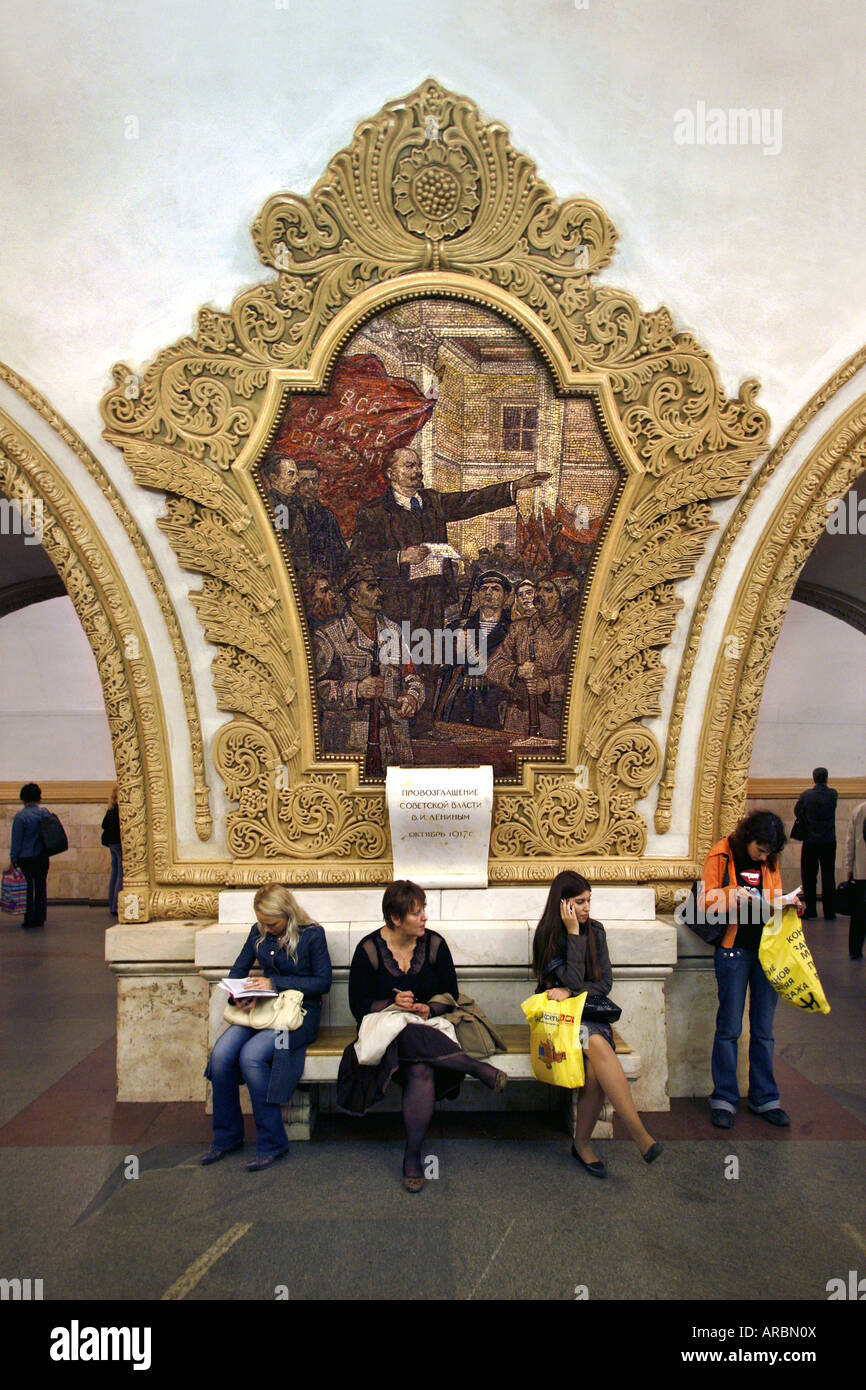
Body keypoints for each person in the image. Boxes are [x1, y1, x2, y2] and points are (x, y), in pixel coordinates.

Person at [337, 880, 507, 1192]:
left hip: (428, 1029)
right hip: (385, 1031)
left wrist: (429, 1008)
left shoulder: (435, 945)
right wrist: (392, 1003)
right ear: (395, 919)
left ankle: (412, 1157)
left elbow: (451, 993)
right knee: (402, 1028)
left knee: (420, 1068)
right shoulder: (369, 950)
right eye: (416, 913)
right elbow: (357, 1006)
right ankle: (471, 1066)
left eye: (423, 910)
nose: (425, 917)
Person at [532, 870, 661, 1177]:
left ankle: (582, 1144)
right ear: (564, 906)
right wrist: (573, 934)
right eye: (579, 902)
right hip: (558, 1022)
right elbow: (575, 980)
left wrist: (572, 991)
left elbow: (604, 984)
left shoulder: (598, 931)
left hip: (589, 1014)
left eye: (589, 900)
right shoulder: (548, 937)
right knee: (596, 1043)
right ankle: (639, 1134)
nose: (587, 908)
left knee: (594, 1068)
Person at [349, 446, 549, 635]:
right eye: (410, 466)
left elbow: (472, 501)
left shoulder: (432, 500)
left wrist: (514, 486)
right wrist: (401, 557)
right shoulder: (373, 512)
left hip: (434, 599)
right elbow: (359, 558)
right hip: (396, 602)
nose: (418, 471)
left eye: (419, 465)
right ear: (391, 474)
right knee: (400, 657)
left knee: (430, 657)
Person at [202, 884, 332, 1171]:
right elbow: (238, 970)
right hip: (262, 1009)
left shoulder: (312, 935)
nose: (266, 929)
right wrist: (240, 995)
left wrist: (274, 983)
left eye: (272, 924)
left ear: (288, 915)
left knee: (251, 1057)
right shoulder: (257, 932)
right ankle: (226, 1137)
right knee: (222, 1055)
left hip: (299, 1015)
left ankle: (272, 1142)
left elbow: (322, 983)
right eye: (262, 922)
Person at [699, 810, 803, 1130]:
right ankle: (724, 1098)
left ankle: (765, 1098)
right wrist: (734, 895)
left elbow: (773, 895)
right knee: (729, 1027)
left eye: (770, 851)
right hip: (734, 949)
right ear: (748, 838)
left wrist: (788, 903)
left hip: (766, 950)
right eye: (761, 848)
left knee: (764, 1029)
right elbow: (706, 902)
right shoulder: (721, 854)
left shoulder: (769, 859)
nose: (765, 855)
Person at [314, 563, 425, 767]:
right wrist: (356, 690)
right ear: (354, 594)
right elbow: (313, 692)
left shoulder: (394, 631)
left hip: (394, 747)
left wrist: (412, 698)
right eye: (372, 588)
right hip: (351, 748)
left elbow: (413, 679)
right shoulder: (328, 635)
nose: (380, 593)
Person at [486, 574, 574, 739]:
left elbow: (583, 677)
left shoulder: (572, 632)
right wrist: (517, 671)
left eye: (548, 590)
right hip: (516, 721)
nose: (539, 594)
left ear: (560, 597)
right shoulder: (519, 628)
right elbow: (492, 667)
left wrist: (548, 685)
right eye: (538, 589)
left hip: (553, 721)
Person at [434, 569, 511, 727]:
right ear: (477, 595)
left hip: (495, 704)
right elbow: (440, 666)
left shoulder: (514, 631)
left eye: (495, 589)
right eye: (484, 589)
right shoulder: (456, 627)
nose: (488, 592)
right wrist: (455, 651)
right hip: (460, 701)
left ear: (506, 597)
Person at [794, 767, 838, 920]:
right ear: (826, 778)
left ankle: (811, 910)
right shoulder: (833, 794)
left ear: (814, 778)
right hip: (829, 840)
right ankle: (829, 912)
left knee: (809, 876)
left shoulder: (807, 796)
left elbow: (797, 811)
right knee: (828, 875)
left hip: (811, 841)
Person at [295, 459, 349, 579]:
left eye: (314, 481)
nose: (311, 487)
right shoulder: (287, 514)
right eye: (304, 481)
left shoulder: (327, 516)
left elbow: (341, 554)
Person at [9, 783, 49, 930]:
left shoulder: (21, 817)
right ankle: (40, 916)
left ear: (23, 797)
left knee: (27, 888)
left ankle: (29, 918)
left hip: (26, 858)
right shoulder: (44, 813)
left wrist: (13, 859)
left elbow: (17, 841)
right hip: (42, 857)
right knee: (41, 886)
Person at [843, 798, 866, 961]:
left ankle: (855, 949)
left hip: (861, 871)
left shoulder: (859, 810)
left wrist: (849, 868)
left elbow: (850, 843)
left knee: (859, 914)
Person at [101, 785, 123, 917]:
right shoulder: (120, 810)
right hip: (119, 843)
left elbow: (103, 825)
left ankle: (111, 903)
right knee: (121, 874)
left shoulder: (110, 809)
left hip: (111, 844)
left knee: (114, 873)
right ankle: (116, 905)